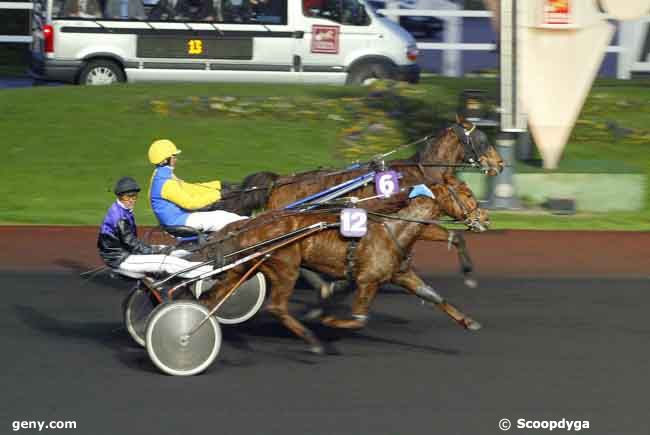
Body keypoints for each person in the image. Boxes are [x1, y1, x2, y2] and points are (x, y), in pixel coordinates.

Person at [97, 176, 214, 279]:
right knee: (166, 262)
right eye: (128, 197)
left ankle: (199, 260)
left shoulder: (121, 209)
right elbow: (131, 243)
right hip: (121, 259)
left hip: (122, 253)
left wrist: (157, 249)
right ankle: (211, 271)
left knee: (169, 250)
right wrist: (154, 251)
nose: (132, 199)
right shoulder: (119, 217)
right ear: (120, 196)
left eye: (134, 196)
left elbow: (129, 243)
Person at [148, 139, 247, 233]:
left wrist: (218, 185)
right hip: (179, 221)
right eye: (173, 156)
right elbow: (191, 203)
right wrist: (220, 195)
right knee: (226, 218)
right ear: (165, 160)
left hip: (180, 217)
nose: (176, 159)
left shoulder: (162, 176)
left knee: (224, 215)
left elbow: (190, 188)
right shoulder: (166, 183)